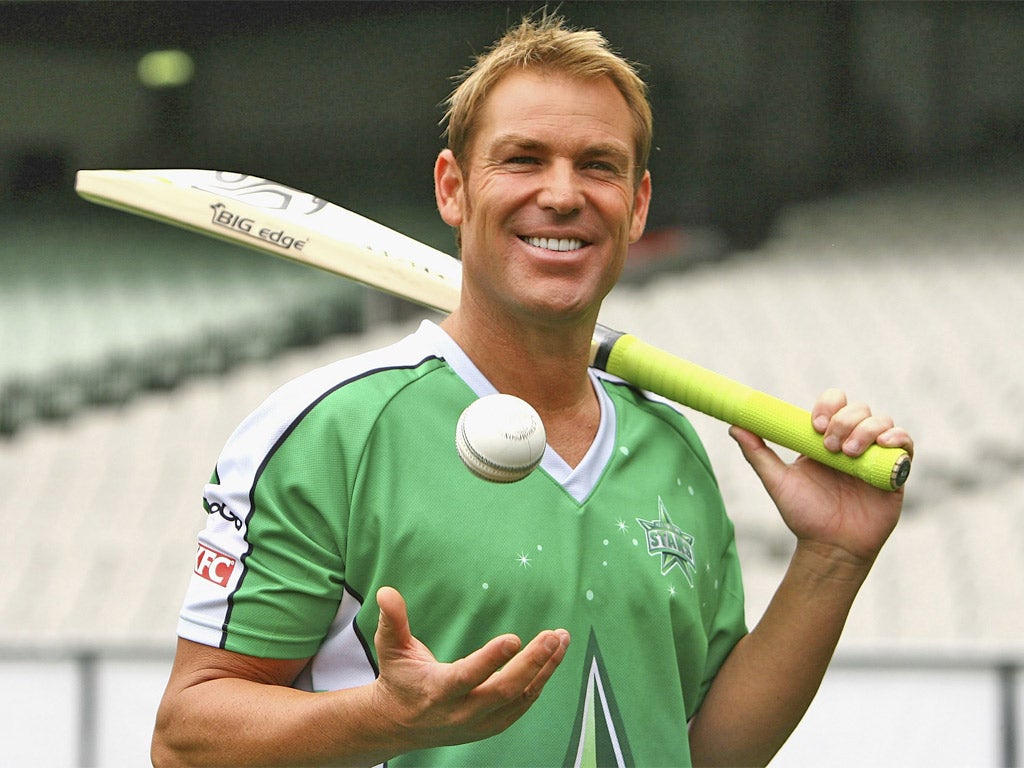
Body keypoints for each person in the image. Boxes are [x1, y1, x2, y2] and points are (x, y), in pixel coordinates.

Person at [152, 13, 913, 768]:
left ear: (639, 203)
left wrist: (832, 557)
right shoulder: (330, 432)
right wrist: (384, 719)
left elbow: (704, 753)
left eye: (598, 165)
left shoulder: (671, 448)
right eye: (522, 159)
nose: (561, 194)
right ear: (453, 189)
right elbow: (186, 738)